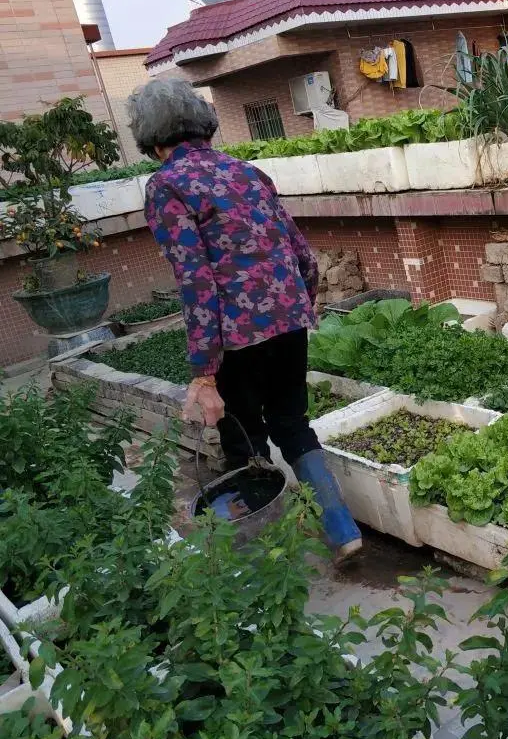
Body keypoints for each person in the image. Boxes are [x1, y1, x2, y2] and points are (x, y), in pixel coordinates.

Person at [126, 79, 362, 558]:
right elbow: (303, 254)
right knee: (292, 423)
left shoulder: (166, 186)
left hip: (235, 336)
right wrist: (301, 304)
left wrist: (204, 372)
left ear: (153, 141)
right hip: (290, 318)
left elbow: (195, 281)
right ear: (203, 126)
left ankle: (271, 556)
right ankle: (344, 532)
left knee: (244, 438)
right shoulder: (247, 172)